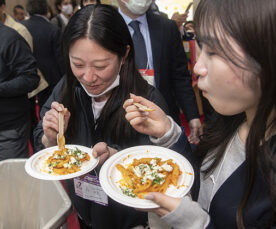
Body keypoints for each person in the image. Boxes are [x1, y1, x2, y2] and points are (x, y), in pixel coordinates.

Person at [121, 0, 276, 228]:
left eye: (213, 52)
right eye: (201, 48)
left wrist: (197, 224)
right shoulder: (229, 119)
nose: (198, 68)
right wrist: (168, 133)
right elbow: (202, 178)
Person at [33, 4, 189, 229]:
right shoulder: (67, 87)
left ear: (124, 55)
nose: (88, 77)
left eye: (100, 65)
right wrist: (49, 138)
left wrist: (115, 158)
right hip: (85, 209)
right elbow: (40, 139)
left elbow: (166, 172)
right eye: (77, 64)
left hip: (130, 220)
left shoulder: (147, 102)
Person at [116, 0, 202, 145]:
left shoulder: (167, 27)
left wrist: (192, 116)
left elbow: (180, 76)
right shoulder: (107, 27)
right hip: (120, 120)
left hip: (165, 117)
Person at [0, 0, 39, 162]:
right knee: (0, 176)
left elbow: (30, 79)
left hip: (8, 128)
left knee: (15, 181)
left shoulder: (9, 37)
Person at [22, 0, 65, 112]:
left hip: (26, 77)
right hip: (51, 78)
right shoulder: (53, 29)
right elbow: (60, 58)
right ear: (47, 10)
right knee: (49, 109)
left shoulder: (21, 28)